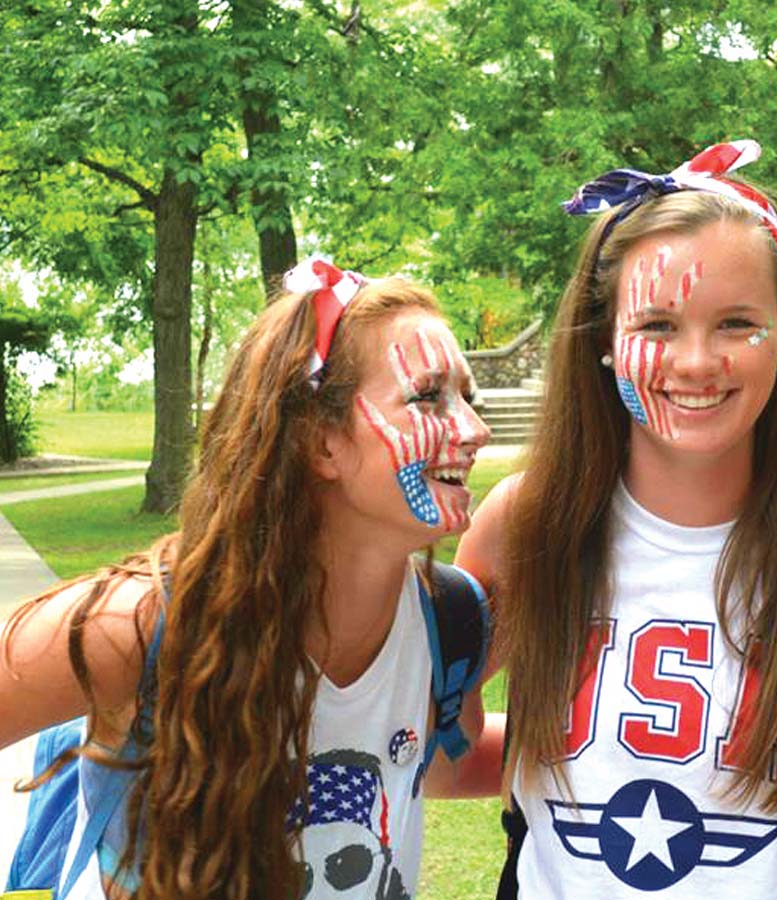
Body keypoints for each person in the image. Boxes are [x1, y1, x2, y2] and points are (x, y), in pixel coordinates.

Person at [454, 140, 777, 899]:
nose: (695, 363)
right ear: (601, 339)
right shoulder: (528, 523)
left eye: (735, 324)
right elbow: (438, 751)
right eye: (656, 326)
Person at [0, 261, 492, 900]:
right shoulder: (139, 621)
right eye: (428, 398)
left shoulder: (451, 621)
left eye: (468, 400)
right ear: (321, 443)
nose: (475, 431)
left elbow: (447, 765)